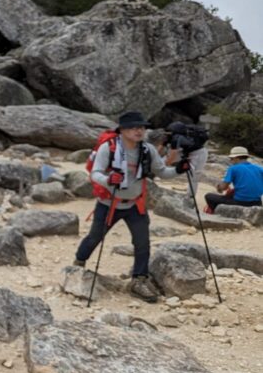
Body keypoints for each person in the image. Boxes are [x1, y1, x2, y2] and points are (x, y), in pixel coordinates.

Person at [74, 112, 186, 303]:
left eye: (142, 127)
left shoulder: (148, 149)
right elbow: (95, 173)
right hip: (109, 204)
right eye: (134, 127)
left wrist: (178, 169)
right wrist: (109, 180)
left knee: (142, 243)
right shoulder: (107, 148)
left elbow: (162, 171)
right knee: (95, 237)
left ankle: (139, 280)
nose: (139, 131)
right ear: (122, 130)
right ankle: (78, 264)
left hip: (135, 204)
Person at [205, 146, 263, 213]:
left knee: (209, 196)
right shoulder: (259, 168)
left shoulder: (233, 168)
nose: (230, 160)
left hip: (241, 201)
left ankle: (217, 213)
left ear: (236, 158)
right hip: (257, 202)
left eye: (231, 158)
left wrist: (219, 187)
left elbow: (223, 187)